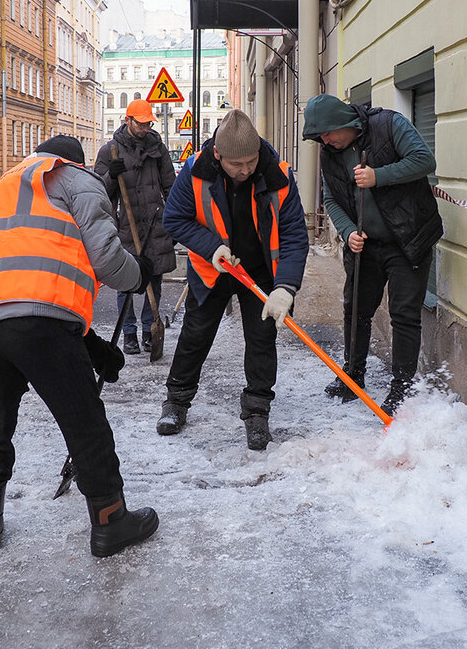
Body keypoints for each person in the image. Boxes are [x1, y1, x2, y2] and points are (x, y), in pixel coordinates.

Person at [0, 134, 159, 558]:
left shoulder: (5, 183)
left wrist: (90, 346)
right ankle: (110, 521)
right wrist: (139, 274)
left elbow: (24, 265)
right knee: (84, 420)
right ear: (76, 161)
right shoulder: (74, 178)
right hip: (39, 317)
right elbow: (105, 259)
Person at [159, 109, 308, 450]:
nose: (245, 170)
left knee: (261, 337)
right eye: (236, 164)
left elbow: (295, 236)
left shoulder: (278, 175)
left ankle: (257, 410)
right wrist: (212, 248)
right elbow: (175, 219)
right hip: (215, 267)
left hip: (260, 270)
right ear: (218, 155)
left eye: (251, 161)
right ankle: (176, 401)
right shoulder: (196, 172)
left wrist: (285, 287)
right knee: (196, 334)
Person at [301, 93, 443, 415]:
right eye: (319, 137)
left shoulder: (389, 124)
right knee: (356, 309)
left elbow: (424, 160)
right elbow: (332, 199)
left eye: (327, 133)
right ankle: (353, 375)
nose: (325, 141)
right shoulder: (330, 154)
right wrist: (348, 231)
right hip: (365, 245)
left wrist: (379, 176)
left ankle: (402, 389)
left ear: (345, 122)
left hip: (408, 239)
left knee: (404, 315)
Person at [93, 99, 176, 355]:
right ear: (128, 120)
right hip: (126, 225)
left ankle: (149, 330)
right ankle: (128, 333)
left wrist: (173, 221)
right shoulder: (110, 151)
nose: (144, 128)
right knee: (126, 282)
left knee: (155, 279)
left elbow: (170, 187)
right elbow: (98, 193)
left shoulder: (158, 149)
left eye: (148, 123)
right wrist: (111, 176)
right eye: (140, 123)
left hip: (155, 223)